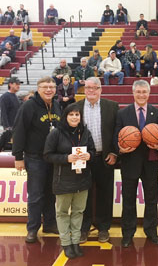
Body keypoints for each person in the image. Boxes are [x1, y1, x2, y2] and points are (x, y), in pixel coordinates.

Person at [114, 79, 158, 248]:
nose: (141, 95)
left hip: (150, 163)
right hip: (129, 162)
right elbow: (116, 136)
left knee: (151, 199)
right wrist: (120, 150)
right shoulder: (123, 113)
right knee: (129, 200)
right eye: (138, 92)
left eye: (144, 92)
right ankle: (127, 233)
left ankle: (151, 231)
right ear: (133, 93)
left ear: (149, 93)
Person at [12, 76, 61, 243]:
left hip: (52, 158)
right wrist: (18, 156)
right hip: (34, 158)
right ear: (38, 89)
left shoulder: (56, 105)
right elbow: (19, 131)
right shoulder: (29, 106)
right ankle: (32, 228)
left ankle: (50, 224)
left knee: (51, 193)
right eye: (45, 87)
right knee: (35, 195)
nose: (49, 90)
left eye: (52, 87)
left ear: (55, 89)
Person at [43, 103, 95, 259]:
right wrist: (66, 158)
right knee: (63, 213)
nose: (74, 117)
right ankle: (66, 243)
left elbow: (92, 150)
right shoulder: (56, 133)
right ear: (66, 116)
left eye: (77, 115)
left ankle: (75, 242)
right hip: (63, 180)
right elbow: (47, 155)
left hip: (82, 179)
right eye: (71, 114)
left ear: (80, 117)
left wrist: (89, 156)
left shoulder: (85, 132)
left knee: (78, 212)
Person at [76, 77, 119, 244]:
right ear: (84, 89)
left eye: (95, 88)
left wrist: (115, 153)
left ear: (101, 89)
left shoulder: (112, 106)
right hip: (83, 158)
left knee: (105, 194)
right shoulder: (76, 107)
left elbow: (117, 131)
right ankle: (84, 228)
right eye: (88, 87)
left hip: (105, 157)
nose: (91, 90)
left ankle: (103, 228)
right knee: (82, 194)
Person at [0, 77, 21, 151]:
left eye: (19, 84)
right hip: (9, 127)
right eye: (16, 84)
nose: (18, 86)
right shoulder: (5, 97)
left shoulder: (15, 96)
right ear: (10, 84)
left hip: (15, 125)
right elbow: (3, 112)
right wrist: (6, 126)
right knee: (7, 146)